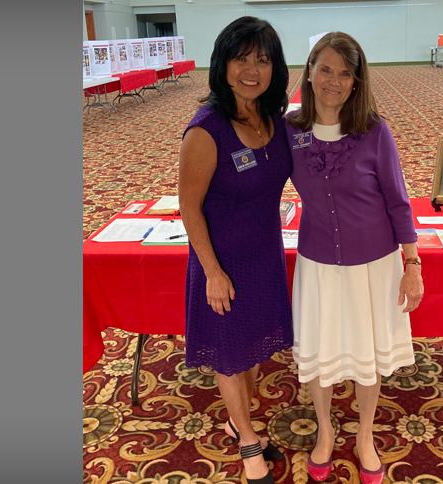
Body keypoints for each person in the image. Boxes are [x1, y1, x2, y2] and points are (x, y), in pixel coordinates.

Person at [285, 32, 424, 484]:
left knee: (367, 352)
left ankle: (364, 434)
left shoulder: (374, 131)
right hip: (319, 262)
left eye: (345, 73)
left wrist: (413, 265)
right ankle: (325, 431)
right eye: (325, 69)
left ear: (356, 80)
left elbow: (399, 201)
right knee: (321, 350)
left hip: (374, 263)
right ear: (309, 71)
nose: (334, 80)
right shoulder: (290, 130)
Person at [177, 16, 292, 484]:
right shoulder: (206, 129)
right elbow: (189, 208)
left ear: (274, 68)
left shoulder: (273, 120)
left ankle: (237, 418)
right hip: (221, 261)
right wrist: (212, 272)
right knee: (229, 352)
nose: (251, 69)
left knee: (251, 352)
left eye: (261, 60)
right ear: (222, 63)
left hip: (263, 256)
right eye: (240, 58)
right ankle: (247, 439)